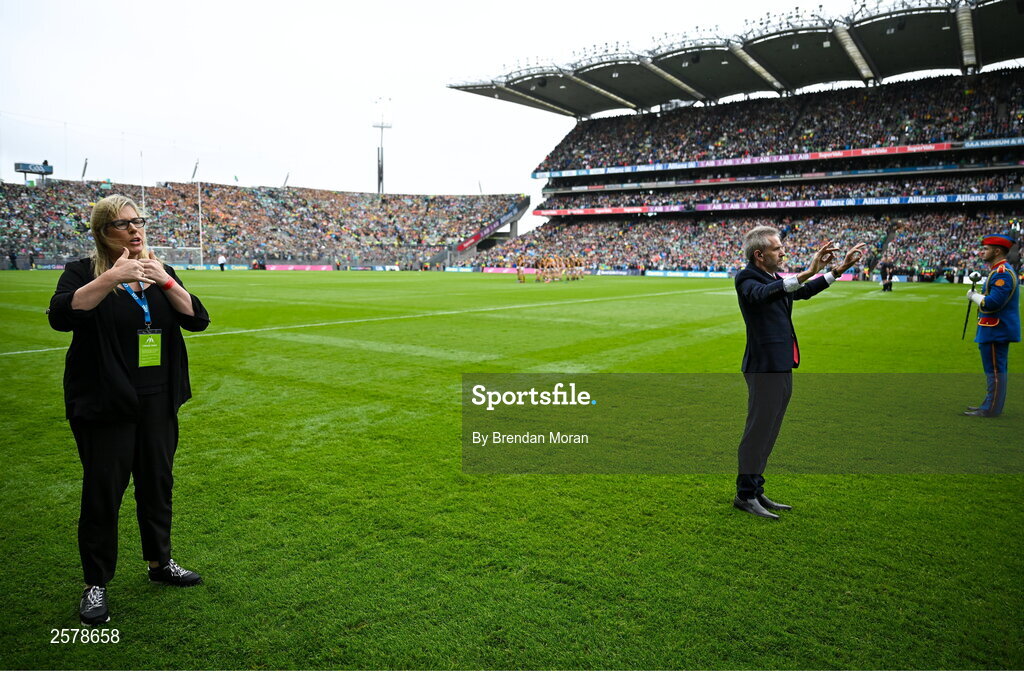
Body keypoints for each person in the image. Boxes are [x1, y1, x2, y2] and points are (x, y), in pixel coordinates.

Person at [47, 194, 210, 626]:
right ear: (103, 233)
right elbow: (62, 315)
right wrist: (113, 277)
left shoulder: (162, 272)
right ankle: (96, 583)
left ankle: (160, 563)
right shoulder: (82, 272)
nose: (135, 230)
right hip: (105, 402)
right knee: (103, 492)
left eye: (138, 222)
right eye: (122, 225)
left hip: (158, 399)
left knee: (157, 483)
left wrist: (167, 282)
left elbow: (198, 319)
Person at [733, 226, 865, 519]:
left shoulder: (772, 277)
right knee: (758, 431)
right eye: (777, 248)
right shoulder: (747, 278)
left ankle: (755, 488)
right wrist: (806, 271)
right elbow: (763, 295)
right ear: (759, 254)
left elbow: (801, 292)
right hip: (763, 366)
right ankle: (744, 494)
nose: (783, 252)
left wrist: (838, 269)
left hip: (781, 364)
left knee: (770, 430)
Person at [964, 232, 1020, 418]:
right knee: (992, 370)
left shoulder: (1003, 273)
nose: (982, 252)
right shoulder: (997, 271)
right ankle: (989, 403)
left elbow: (992, 303)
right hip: (992, 328)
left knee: (995, 371)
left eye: (986, 249)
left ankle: (991, 408)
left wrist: (974, 297)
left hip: (997, 329)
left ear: (997, 251)